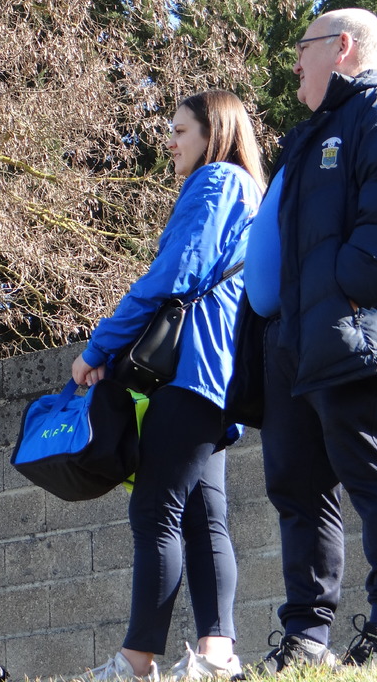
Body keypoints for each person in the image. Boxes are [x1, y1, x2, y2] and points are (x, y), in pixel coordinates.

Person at [228, 8, 377, 673]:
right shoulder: (313, 132)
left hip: (348, 327)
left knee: (371, 468)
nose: (295, 62)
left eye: (303, 47)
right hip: (292, 337)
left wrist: (349, 291)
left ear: (342, 47)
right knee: (298, 489)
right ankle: (306, 640)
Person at [73, 90, 265, 681]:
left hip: (191, 369)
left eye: (182, 130)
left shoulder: (216, 182)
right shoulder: (248, 191)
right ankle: (217, 657)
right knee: (204, 518)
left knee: (155, 508)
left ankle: (136, 662)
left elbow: (175, 273)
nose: (171, 141)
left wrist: (100, 347)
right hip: (220, 373)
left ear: (215, 133)